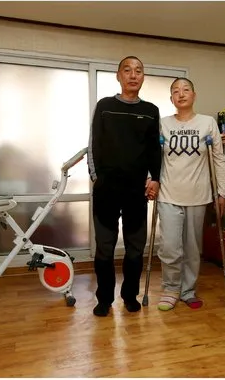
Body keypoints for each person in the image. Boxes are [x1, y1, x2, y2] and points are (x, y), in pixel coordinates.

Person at [88, 56, 162, 317]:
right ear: (118, 76)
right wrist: (96, 178)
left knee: (135, 247)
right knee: (104, 248)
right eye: (127, 70)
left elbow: (155, 149)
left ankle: (130, 295)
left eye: (138, 71)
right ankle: (104, 299)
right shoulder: (105, 106)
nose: (133, 75)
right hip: (107, 190)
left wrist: (155, 177)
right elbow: (94, 143)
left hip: (136, 191)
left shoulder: (151, 110)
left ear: (143, 77)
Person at [156, 77, 225, 311]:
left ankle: (187, 290)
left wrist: (222, 192)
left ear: (194, 95)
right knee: (170, 246)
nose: (181, 94)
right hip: (168, 193)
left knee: (192, 247)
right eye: (176, 91)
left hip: (198, 195)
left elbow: (218, 160)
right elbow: (153, 158)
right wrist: (150, 180)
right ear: (171, 99)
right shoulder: (163, 124)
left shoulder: (208, 123)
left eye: (186, 89)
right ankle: (170, 288)